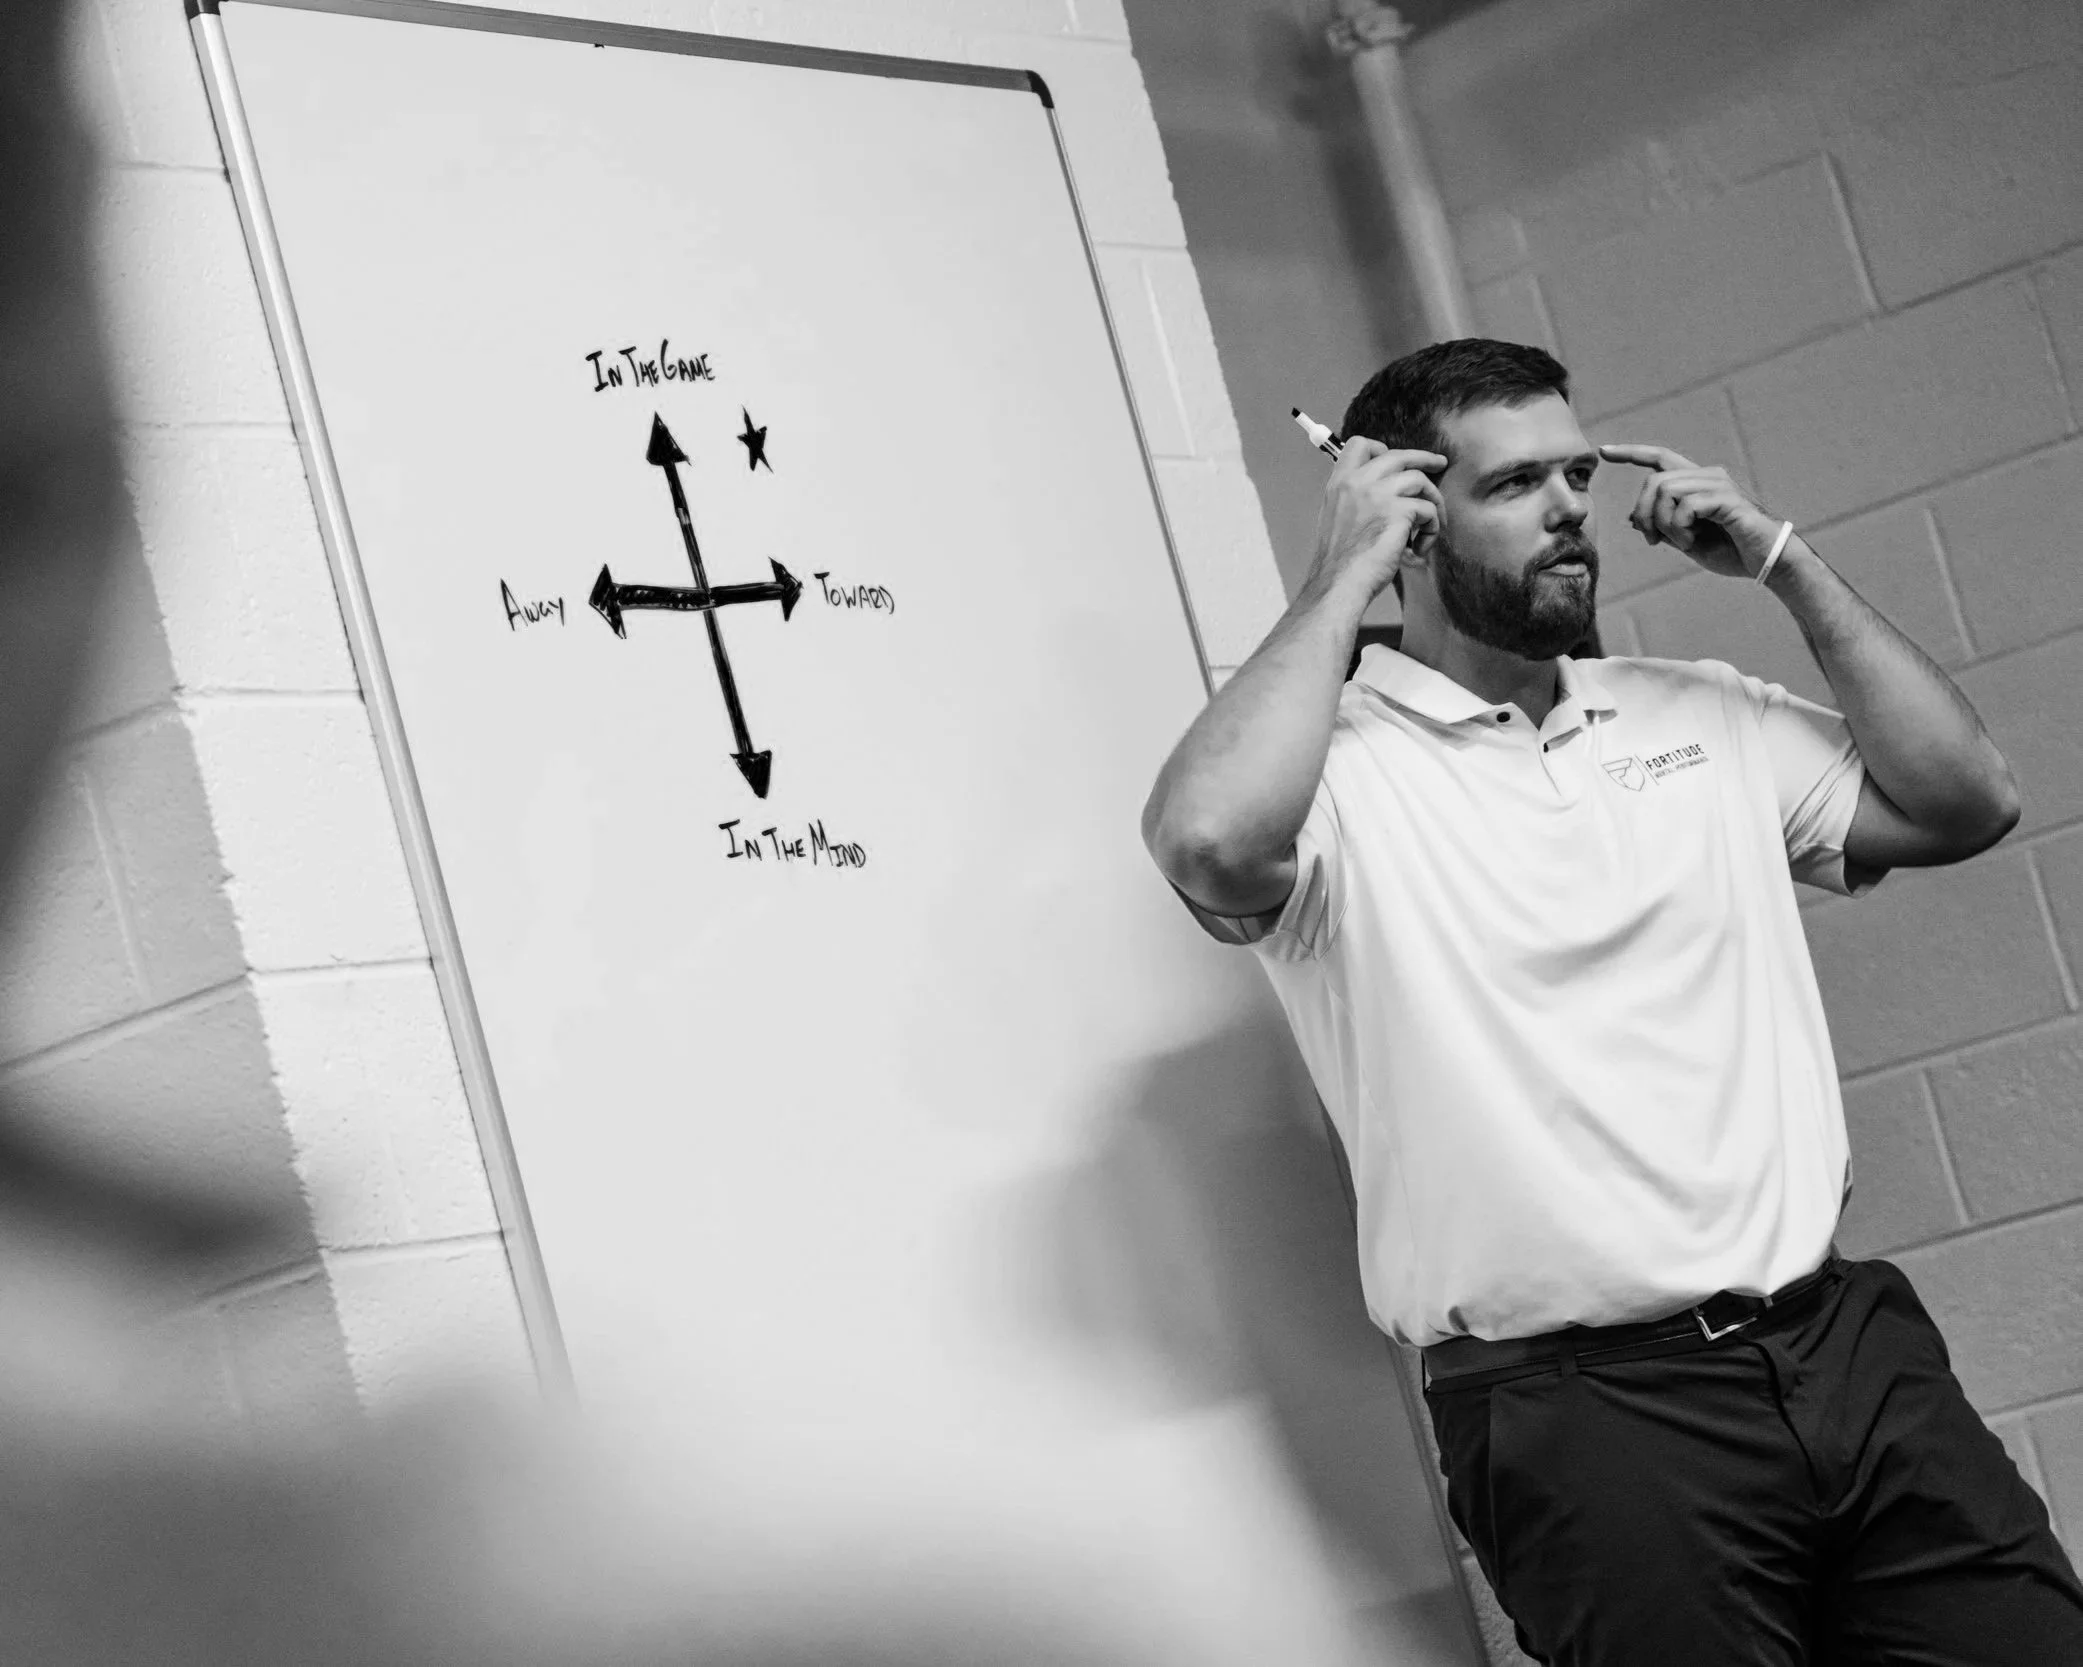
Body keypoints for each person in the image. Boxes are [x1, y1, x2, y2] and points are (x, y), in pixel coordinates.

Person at [1140, 337, 2083, 1665]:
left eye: (1576, 472)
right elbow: (1203, 842)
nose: (1571, 505)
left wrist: (1782, 561)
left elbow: (1965, 800)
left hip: (1844, 1349)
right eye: (1517, 481)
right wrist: (1337, 570)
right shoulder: (1337, 779)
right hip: (1588, 1413)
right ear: (1408, 515)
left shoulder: (1695, 714)